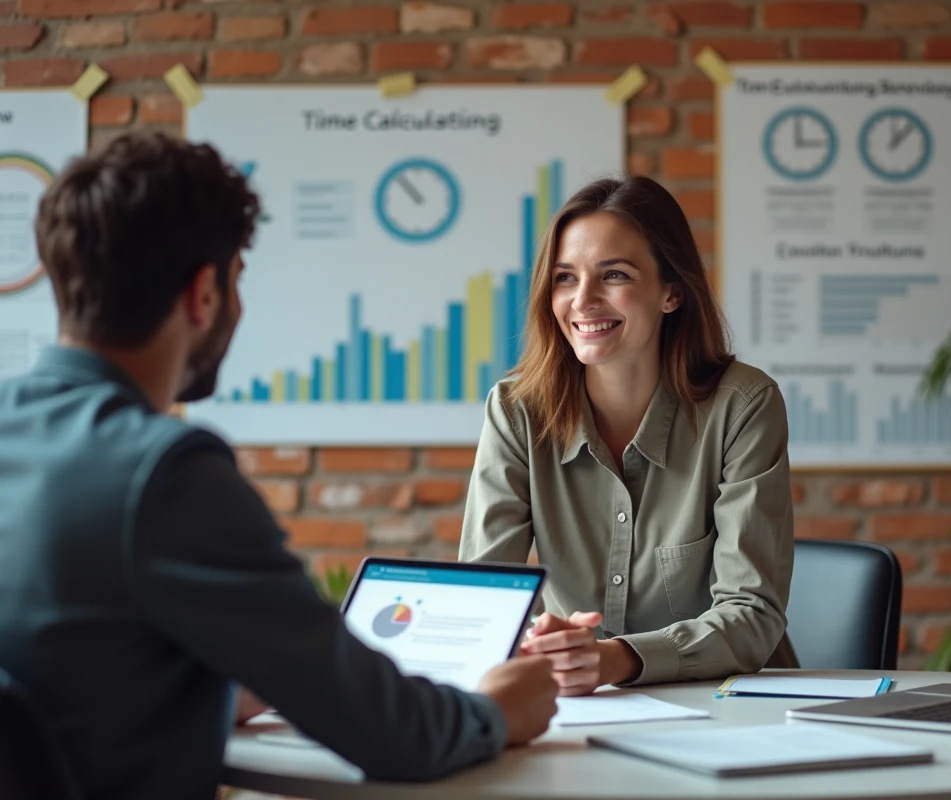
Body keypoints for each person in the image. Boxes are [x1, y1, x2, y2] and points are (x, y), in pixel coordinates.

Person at [0, 131, 558, 800]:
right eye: (237, 280)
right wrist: (499, 710)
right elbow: (397, 735)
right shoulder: (164, 475)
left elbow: (66, 666)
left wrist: (217, 687)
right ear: (204, 293)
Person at [459, 176, 796, 696]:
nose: (583, 300)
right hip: (579, 706)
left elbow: (752, 615)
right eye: (565, 278)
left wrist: (614, 659)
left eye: (613, 274)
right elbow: (481, 600)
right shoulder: (516, 410)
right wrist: (545, 646)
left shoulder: (743, 405)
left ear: (671, 293)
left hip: (732, 704)